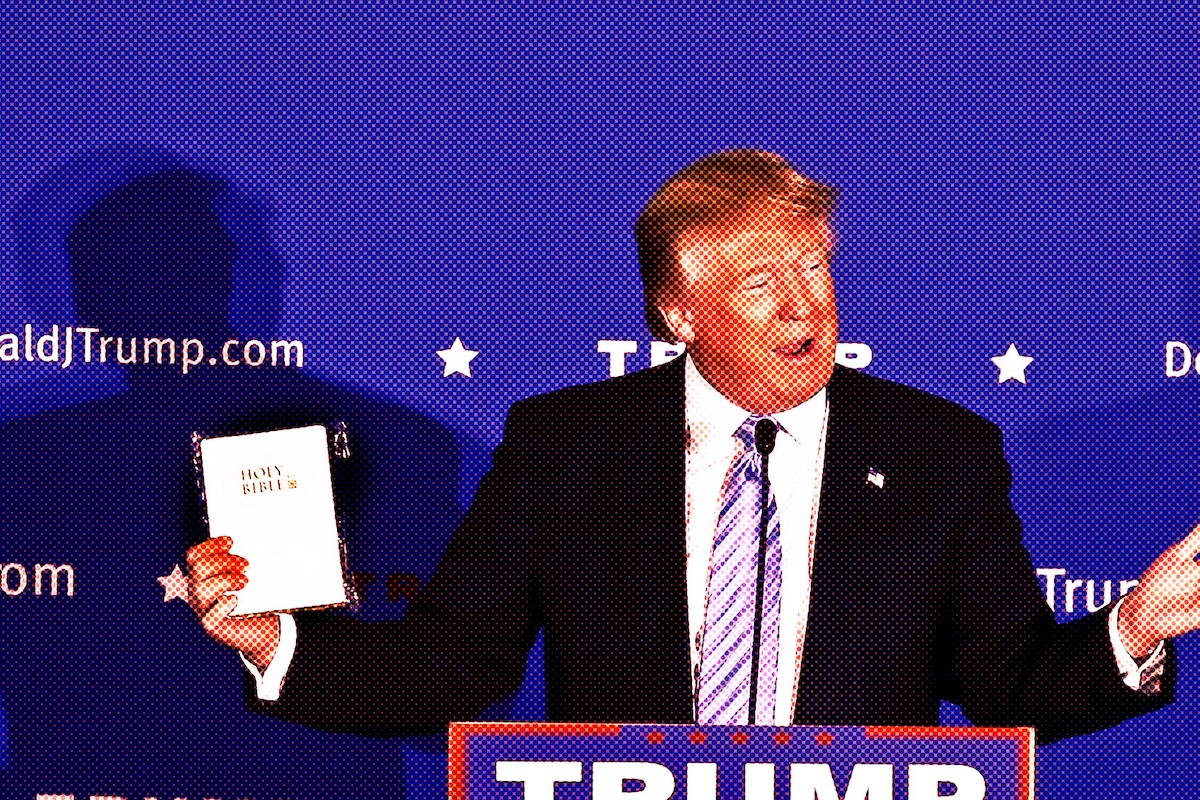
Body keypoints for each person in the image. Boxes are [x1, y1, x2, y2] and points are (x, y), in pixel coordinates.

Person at [187, 148, 1200, 743]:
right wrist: (275, 641)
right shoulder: (563, 446)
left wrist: (1134, 627)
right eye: (764, 280)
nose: (809, 304)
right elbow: (454, 662)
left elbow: (1010, 683)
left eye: (816, 266)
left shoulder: (940, 450)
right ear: (679, 311)